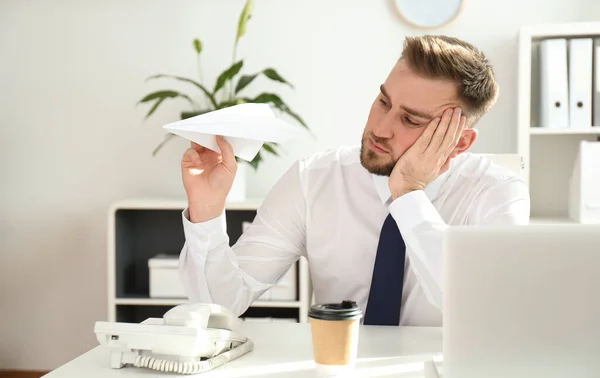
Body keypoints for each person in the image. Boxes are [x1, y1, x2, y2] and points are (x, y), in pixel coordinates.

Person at [177, 35, 530, 327]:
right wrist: (206, 211)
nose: (381, 127)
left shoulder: (497, 193)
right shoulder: (313, 180)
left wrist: (408, 195)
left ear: (460, 141)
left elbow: (484, 312)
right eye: (383, 101)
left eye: (411, 120)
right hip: (337, 375)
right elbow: (220, 304)